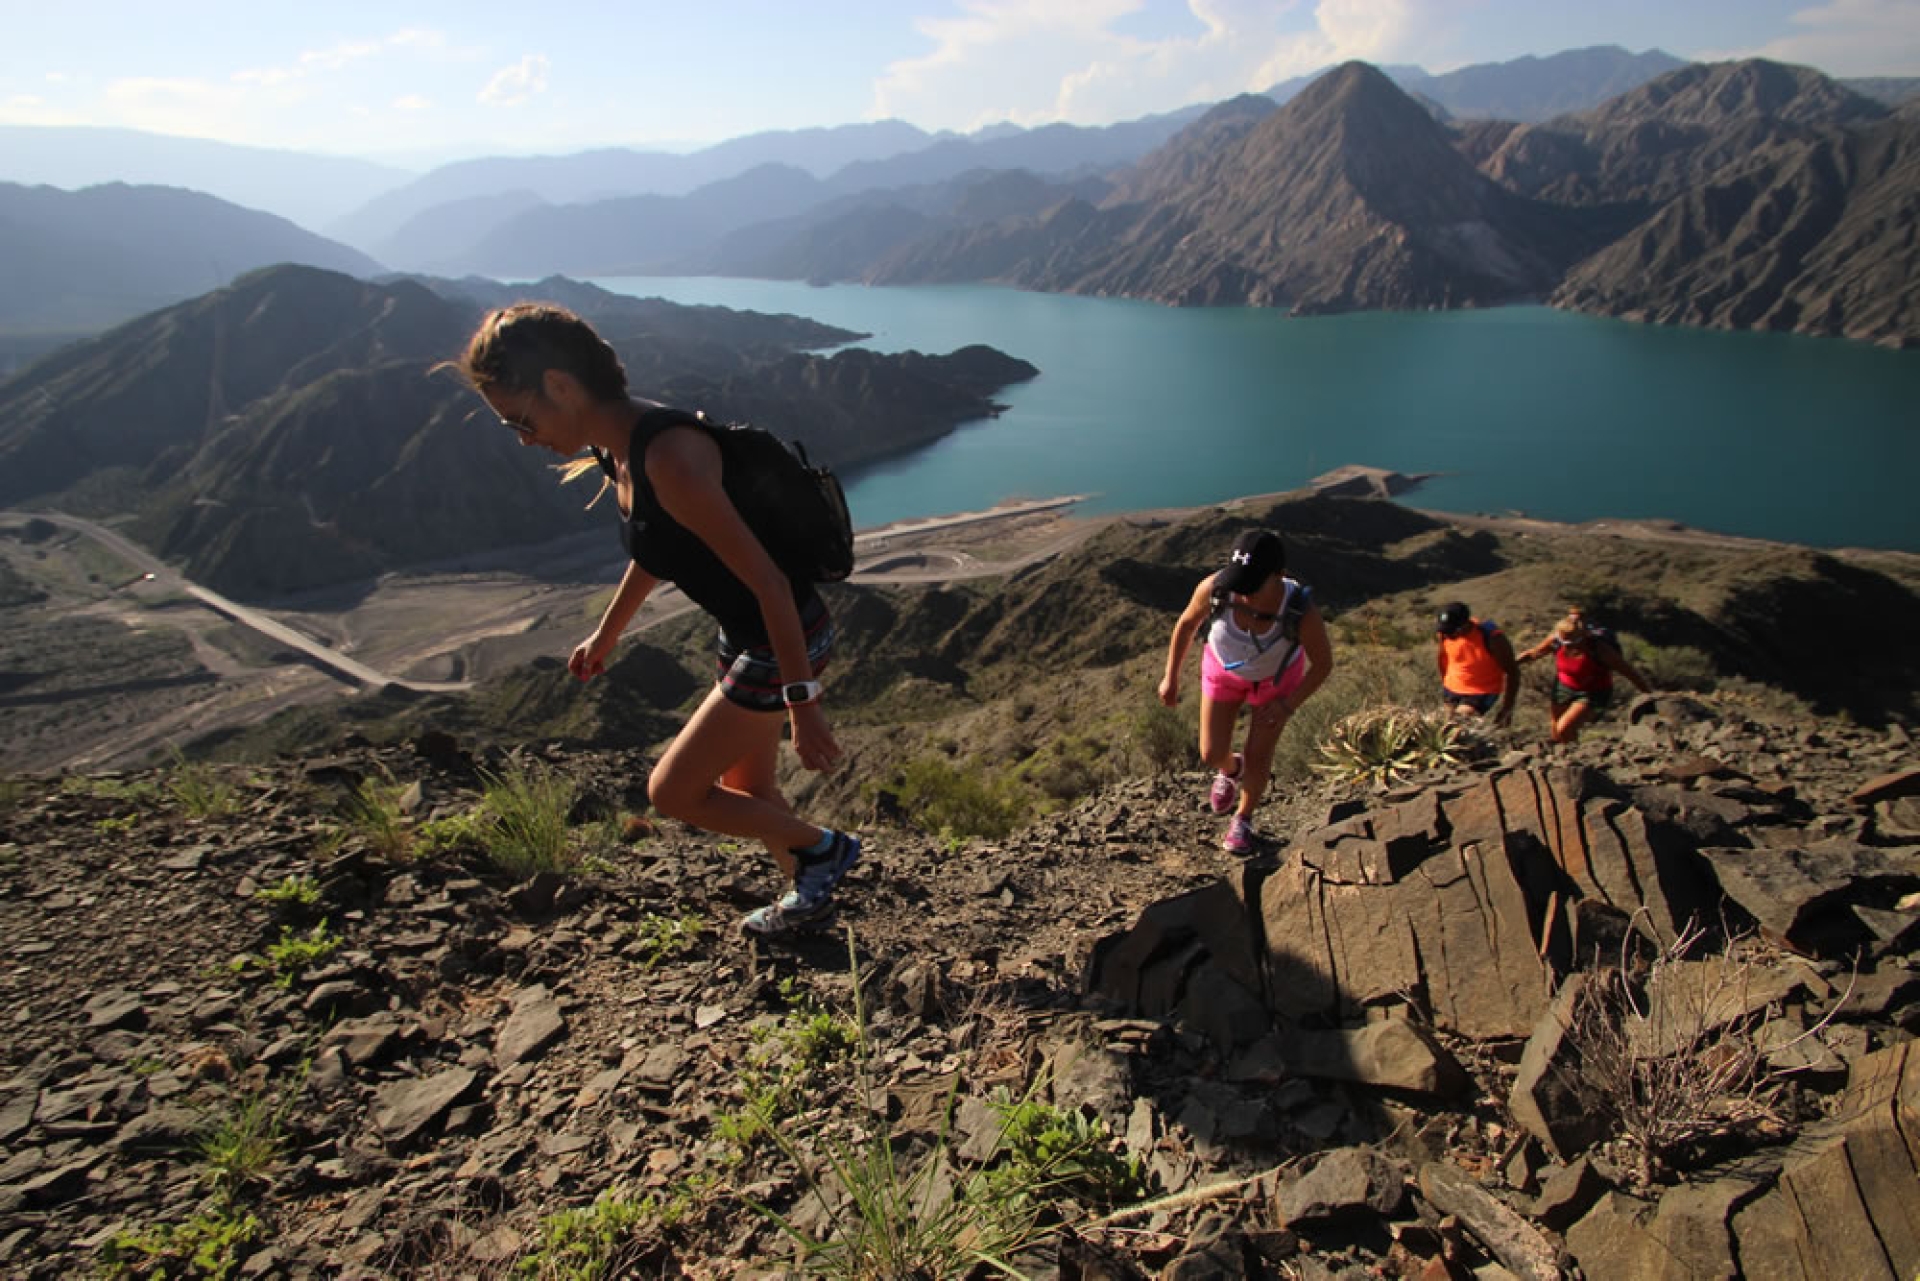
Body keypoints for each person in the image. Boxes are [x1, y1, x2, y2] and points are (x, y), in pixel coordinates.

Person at [444, 303, 860, 935]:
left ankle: (824, 850)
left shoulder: (669, 457)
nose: (524, 439)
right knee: (748, 789)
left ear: (560, 386)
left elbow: (771, 583)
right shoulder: (621, 449)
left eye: (521, 420)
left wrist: (803, 703)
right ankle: (809, 899)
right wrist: (606, 633)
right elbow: (658, 548)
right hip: (749, 635)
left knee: (672, 793)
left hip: (782, 640)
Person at [1158, 529, 1333, 855]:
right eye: (1240, 581)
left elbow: (1322, 664)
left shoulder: (1300, 611)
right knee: (1211, 753)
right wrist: (1171, 678)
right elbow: (1187, 624)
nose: (1243, 593)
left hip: (1276, 683)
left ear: (1278, 575)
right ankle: (1230, 769)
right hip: (1222, 672)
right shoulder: (1217, 589)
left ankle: (1243, 819)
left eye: (1252, 584)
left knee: (1259, 754)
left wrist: (1287, 705)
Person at [1515, 610, 1653, 744]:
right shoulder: (1556, 641)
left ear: (1583, 637)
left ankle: (1572, 756)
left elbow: (1629, 672)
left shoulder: (1600, 650)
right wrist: (1511, 665)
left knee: (1565, 728)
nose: (1567, 646)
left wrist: (1648, 695)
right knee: (1556, 732)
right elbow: (1533, 653)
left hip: (1593, 692)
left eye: (1571, 643)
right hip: (1563, 688)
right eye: (1564, 642)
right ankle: (1565, 754)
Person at [1434, 601, 1520, 726]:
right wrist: (1445, 683)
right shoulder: (1445, 634)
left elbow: (1513, 672)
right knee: (1441, 725)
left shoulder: (1492, 638)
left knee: (1457, 724)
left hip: (1481, 691)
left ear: (1464, 624)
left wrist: (1507, 709)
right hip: (1452, 687)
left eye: (1452, 631)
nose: (1448, 635)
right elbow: (1443, 658)